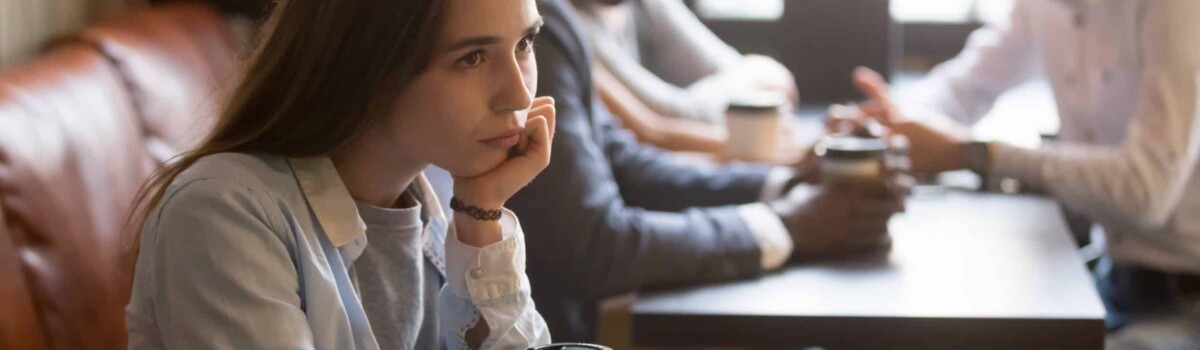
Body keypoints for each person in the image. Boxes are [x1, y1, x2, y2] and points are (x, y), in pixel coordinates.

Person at [124, 0, 555, 348]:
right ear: (366, 67)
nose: (518, 93)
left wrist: (481, 213)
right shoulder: (221, 215)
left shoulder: (439, 192)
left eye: (526, 42)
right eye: (472, 58)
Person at [506, 0, 908, 341]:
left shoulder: (555, 20)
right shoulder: (535, 22)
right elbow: (595, 246)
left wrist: (789, 182)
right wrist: (788, 225)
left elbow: (627, 164)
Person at [846, 0, 1200, 348]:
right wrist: (896, 124)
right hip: (1111, 280)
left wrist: (978, 154)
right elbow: (965, 86)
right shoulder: (1041, 7)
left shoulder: (1176, 9)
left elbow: (1147, 192)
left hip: (1184, 298)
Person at [571, 0, 801, 157]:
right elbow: (653, 129)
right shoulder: (561, 22)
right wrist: (753, 128)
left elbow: (772, 78)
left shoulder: (640, 6)